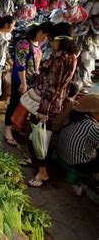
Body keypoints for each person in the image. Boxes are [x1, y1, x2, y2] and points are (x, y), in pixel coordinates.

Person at [28, 23, 78, 187]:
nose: (50, 42)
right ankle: (36, 163)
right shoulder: (71, 56)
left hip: (47, 105)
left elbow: (52, 85)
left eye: (52, 39)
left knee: (40, 137)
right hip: (55, 103)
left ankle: (42, 172)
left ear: (60, 39)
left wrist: (43, 110)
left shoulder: (60, 58)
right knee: (40, 135)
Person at [3, 22, 53, 146]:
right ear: (40, 31)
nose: (46, 39)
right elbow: (20, 65)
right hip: (20, 80)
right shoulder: (23, 43)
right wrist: (23, 84)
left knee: (24, 105)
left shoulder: (38, 43)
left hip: (31, 80)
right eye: (46, 36)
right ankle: (7, 130)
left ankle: (15, 126)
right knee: (14, 103)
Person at [57, 94, 99, 177]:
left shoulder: (74, 118)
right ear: (93, 113)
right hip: (77, 164)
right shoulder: (91, 126)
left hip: (63, 157)